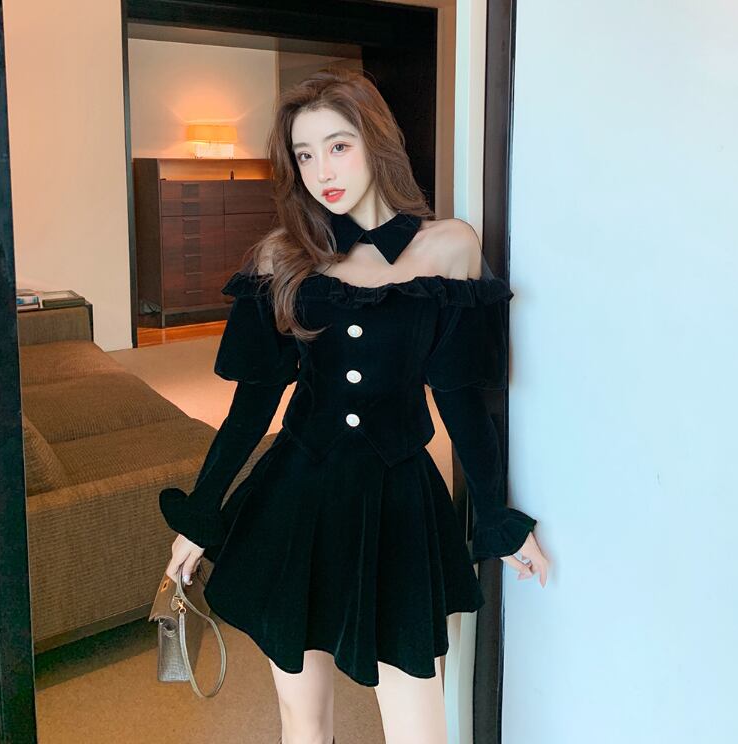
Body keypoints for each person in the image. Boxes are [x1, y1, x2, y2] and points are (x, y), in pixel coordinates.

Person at [160, 68, 549, 744]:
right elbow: (251, 409)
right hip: (295, 498)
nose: (322, 172)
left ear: (377, 142)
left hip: (399, 504)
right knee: (302, 722)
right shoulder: (281, 258)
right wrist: (202, 512)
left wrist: (496, 517)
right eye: (304, 155)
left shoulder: (449, 246)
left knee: (417, 723)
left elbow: (462, 403)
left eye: (338, 146)